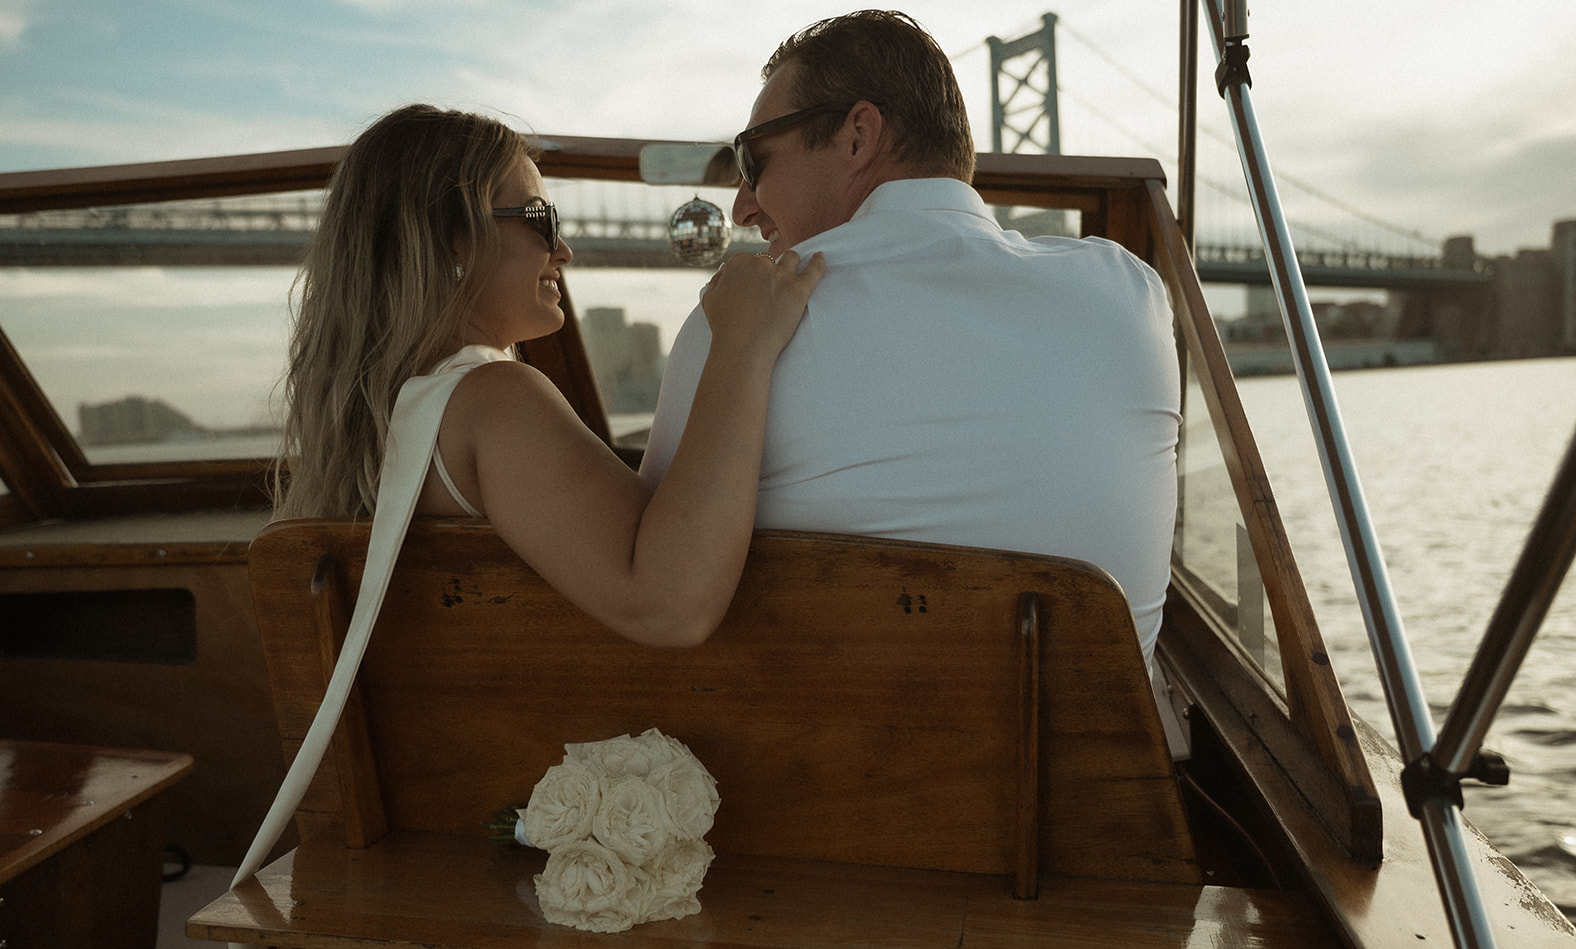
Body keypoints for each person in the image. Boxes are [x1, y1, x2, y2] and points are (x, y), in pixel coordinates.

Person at [640, 11, 1181, 670]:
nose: (742, 207)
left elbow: (655, 576)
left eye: (755, 161)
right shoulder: (1133, 298)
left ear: (858, 135)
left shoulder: (738, 327)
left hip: (830, 767)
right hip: (1094, 770)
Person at [276, 103, 825, 648]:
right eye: (541, 220)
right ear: (455, 239)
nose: (563, 250)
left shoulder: (375, 419)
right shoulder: (493, 399)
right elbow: (669, 607)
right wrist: (742, 341)